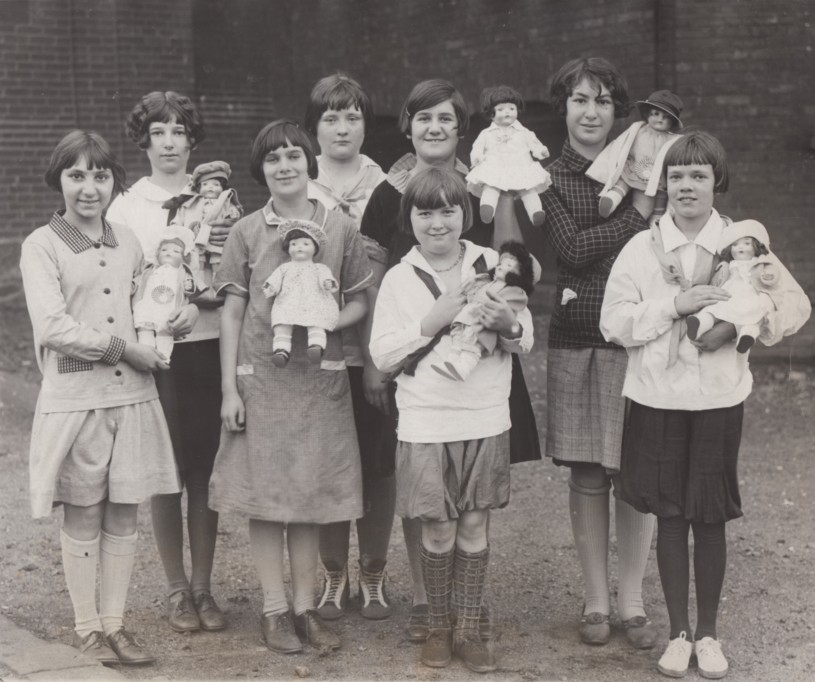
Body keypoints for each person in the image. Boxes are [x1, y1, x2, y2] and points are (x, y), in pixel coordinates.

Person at [600, 130, 810, 679]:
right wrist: (675, 304)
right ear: (662, 183)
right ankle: (678, 634)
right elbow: (613, 321)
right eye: (676, 176)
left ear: (718, 181)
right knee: (670, 512)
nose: (686, 186)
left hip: (717, 398)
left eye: (698, 175)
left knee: (709, 512)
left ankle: (710, 634)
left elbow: (795, 307)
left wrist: (752, 314)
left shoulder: (743, 245)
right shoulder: (642, 246)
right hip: (658, 396)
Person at [360, 77, 541, 643]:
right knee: (433, 516)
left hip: (482, 397)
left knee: (473, 518)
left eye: (445, 119)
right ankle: (433, 613)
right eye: (423, 119)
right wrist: (431, 318)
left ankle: (467, 619)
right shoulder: (391, 202)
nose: (438, 222)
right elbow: (384, 327)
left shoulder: (486, 186)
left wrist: (507, 321)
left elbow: (518, 296)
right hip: (424, 395)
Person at [209, 120, 373, 654]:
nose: (284, 166)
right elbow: (232, 311)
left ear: (310, 164)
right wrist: (231, 388)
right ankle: (274, 609)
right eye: (274, 159)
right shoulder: (246, 232)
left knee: (307, 496)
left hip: (317, 384)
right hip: (261, 379)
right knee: (266, 497)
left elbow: (357, 300)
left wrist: (328, 325)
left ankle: (306, 608)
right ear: (262, 169)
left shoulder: (341, 228)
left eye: (294, 157)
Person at [20, 130, 180, 666]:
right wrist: (123, 348)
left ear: (114, 180)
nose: (90, 188)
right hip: (78, 400)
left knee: (124, 513)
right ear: (58, 180)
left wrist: (173, 319)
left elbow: (147, 305)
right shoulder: (41, 245)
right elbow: (54, 327)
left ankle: (116, 624)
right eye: (77, 175)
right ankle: (88, 627)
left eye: (100, 175)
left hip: (132, 399)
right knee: (84, 512)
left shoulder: (128, 240)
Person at [540, 57, 657, 649]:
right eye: (580, 100)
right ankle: (595, 599)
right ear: (563, 107)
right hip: (581, 335)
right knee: (588, 469)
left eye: (604, 101)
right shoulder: (549, 177)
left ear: (619, 112)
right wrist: (636, 214)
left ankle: (633, 602)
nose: (591, 112)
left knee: (633, 470)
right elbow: (575, 249)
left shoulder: (652, 168)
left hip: (637, 337)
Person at [107, 91, 233, 634]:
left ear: (192, 140)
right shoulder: (125, 206)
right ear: (144, 140)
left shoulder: (217, 199)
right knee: (167, 472)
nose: (168, 143)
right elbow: (119, 284)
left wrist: (200, 303)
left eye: (178, 131)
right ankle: (176, 590)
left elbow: (231, 274)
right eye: (158, 132)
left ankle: (204, 586)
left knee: (206, 468)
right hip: (154, 354)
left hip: (205, 344)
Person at [304, 74, 396, 621]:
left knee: (378, 464)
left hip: (373, 347)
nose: (343, 128)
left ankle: (375, 574)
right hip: (318, 351)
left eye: (353, 116)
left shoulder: (388, 186)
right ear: (314, 127)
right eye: (331, 118)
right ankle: (334, 576)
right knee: (328, 465)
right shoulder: (296, 181)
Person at [687, 219, 809, 353]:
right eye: (735, 245)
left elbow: (777, 280)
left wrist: (768, 277)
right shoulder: (732, 264)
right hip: (730, 294)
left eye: (746, 243)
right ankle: (699, 324)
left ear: (756, 247)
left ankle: (747, 336)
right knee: (715, 309)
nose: (740, 247)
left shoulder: (761, 261)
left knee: (754, 316)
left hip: (750, 295)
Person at [430, 240, 536, 381]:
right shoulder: (486, 282)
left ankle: (464, 368)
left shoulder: (513, 291)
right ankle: (451, 361)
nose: (500, 267)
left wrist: (508, 321)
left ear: (518, 274)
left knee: (473, 341)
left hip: (484, 316)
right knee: (458, 334)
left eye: (508, 266)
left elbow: (513, 313)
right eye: (500, 264)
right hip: (470, 313)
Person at [587, 90, 684, 221]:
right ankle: (612, 198)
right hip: (638, 170)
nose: (660, 119)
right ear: (647, 114)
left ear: (672, 121)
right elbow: (622, 144)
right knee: (643, 205)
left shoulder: (672, 139)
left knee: (659, 203)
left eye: (666, 117)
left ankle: (657, 223)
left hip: (656, 177)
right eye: (656, 114)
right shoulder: (638, 130)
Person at [465, 84, 551, 226]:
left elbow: (533, 143)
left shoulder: (523, 132)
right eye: (500, 109)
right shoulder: (486, 134)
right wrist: (477, 157)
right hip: (496, 166)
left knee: (528, 189)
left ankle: (535, 211)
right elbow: (477, 147)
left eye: (512, 108)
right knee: (491, 186)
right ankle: (487, 207)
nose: (507, 112)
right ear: (491, 113)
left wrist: (540, 151)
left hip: (521, 166)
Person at [261, 219, 340, 365]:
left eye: (305, 244)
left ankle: (316, 346)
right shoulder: (284, 268)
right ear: (288, 248)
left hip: (313, 301)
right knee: (281, 323)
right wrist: (271, 287)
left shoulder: (319, 268)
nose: (299, 247)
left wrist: (327, 283)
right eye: (294, 244)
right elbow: (275, 279)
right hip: (288, 302)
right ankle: (281, 351)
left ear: (315, 248)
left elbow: (326, 277)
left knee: (316, 321)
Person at [133, 228, 203, 359]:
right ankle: (146, 351)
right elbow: (139, 281)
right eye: (164, 250)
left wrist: (189, 286)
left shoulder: (181, 272)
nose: (169, 253)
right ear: (157, 254)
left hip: (168, 306)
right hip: (148, 304)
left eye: (176, 251)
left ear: (183, 257)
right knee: (145, 328)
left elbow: (195, 286)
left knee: (165, 329)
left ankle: (164, 357)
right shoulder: (150, 270)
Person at [172, 160, 243, 272]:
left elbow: (233, 212)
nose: (210, 188)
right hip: (197, 239)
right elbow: (181, 216)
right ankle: (197, 279)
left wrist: (234, 214)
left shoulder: (225, 202)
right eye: (205, 184)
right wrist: (176, 227)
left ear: (223, 188)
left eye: (216, 184)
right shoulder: (191, 203)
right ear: (199, 188)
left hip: (215, 239)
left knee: (218, 259)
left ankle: (218, 279)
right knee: (196, 259)